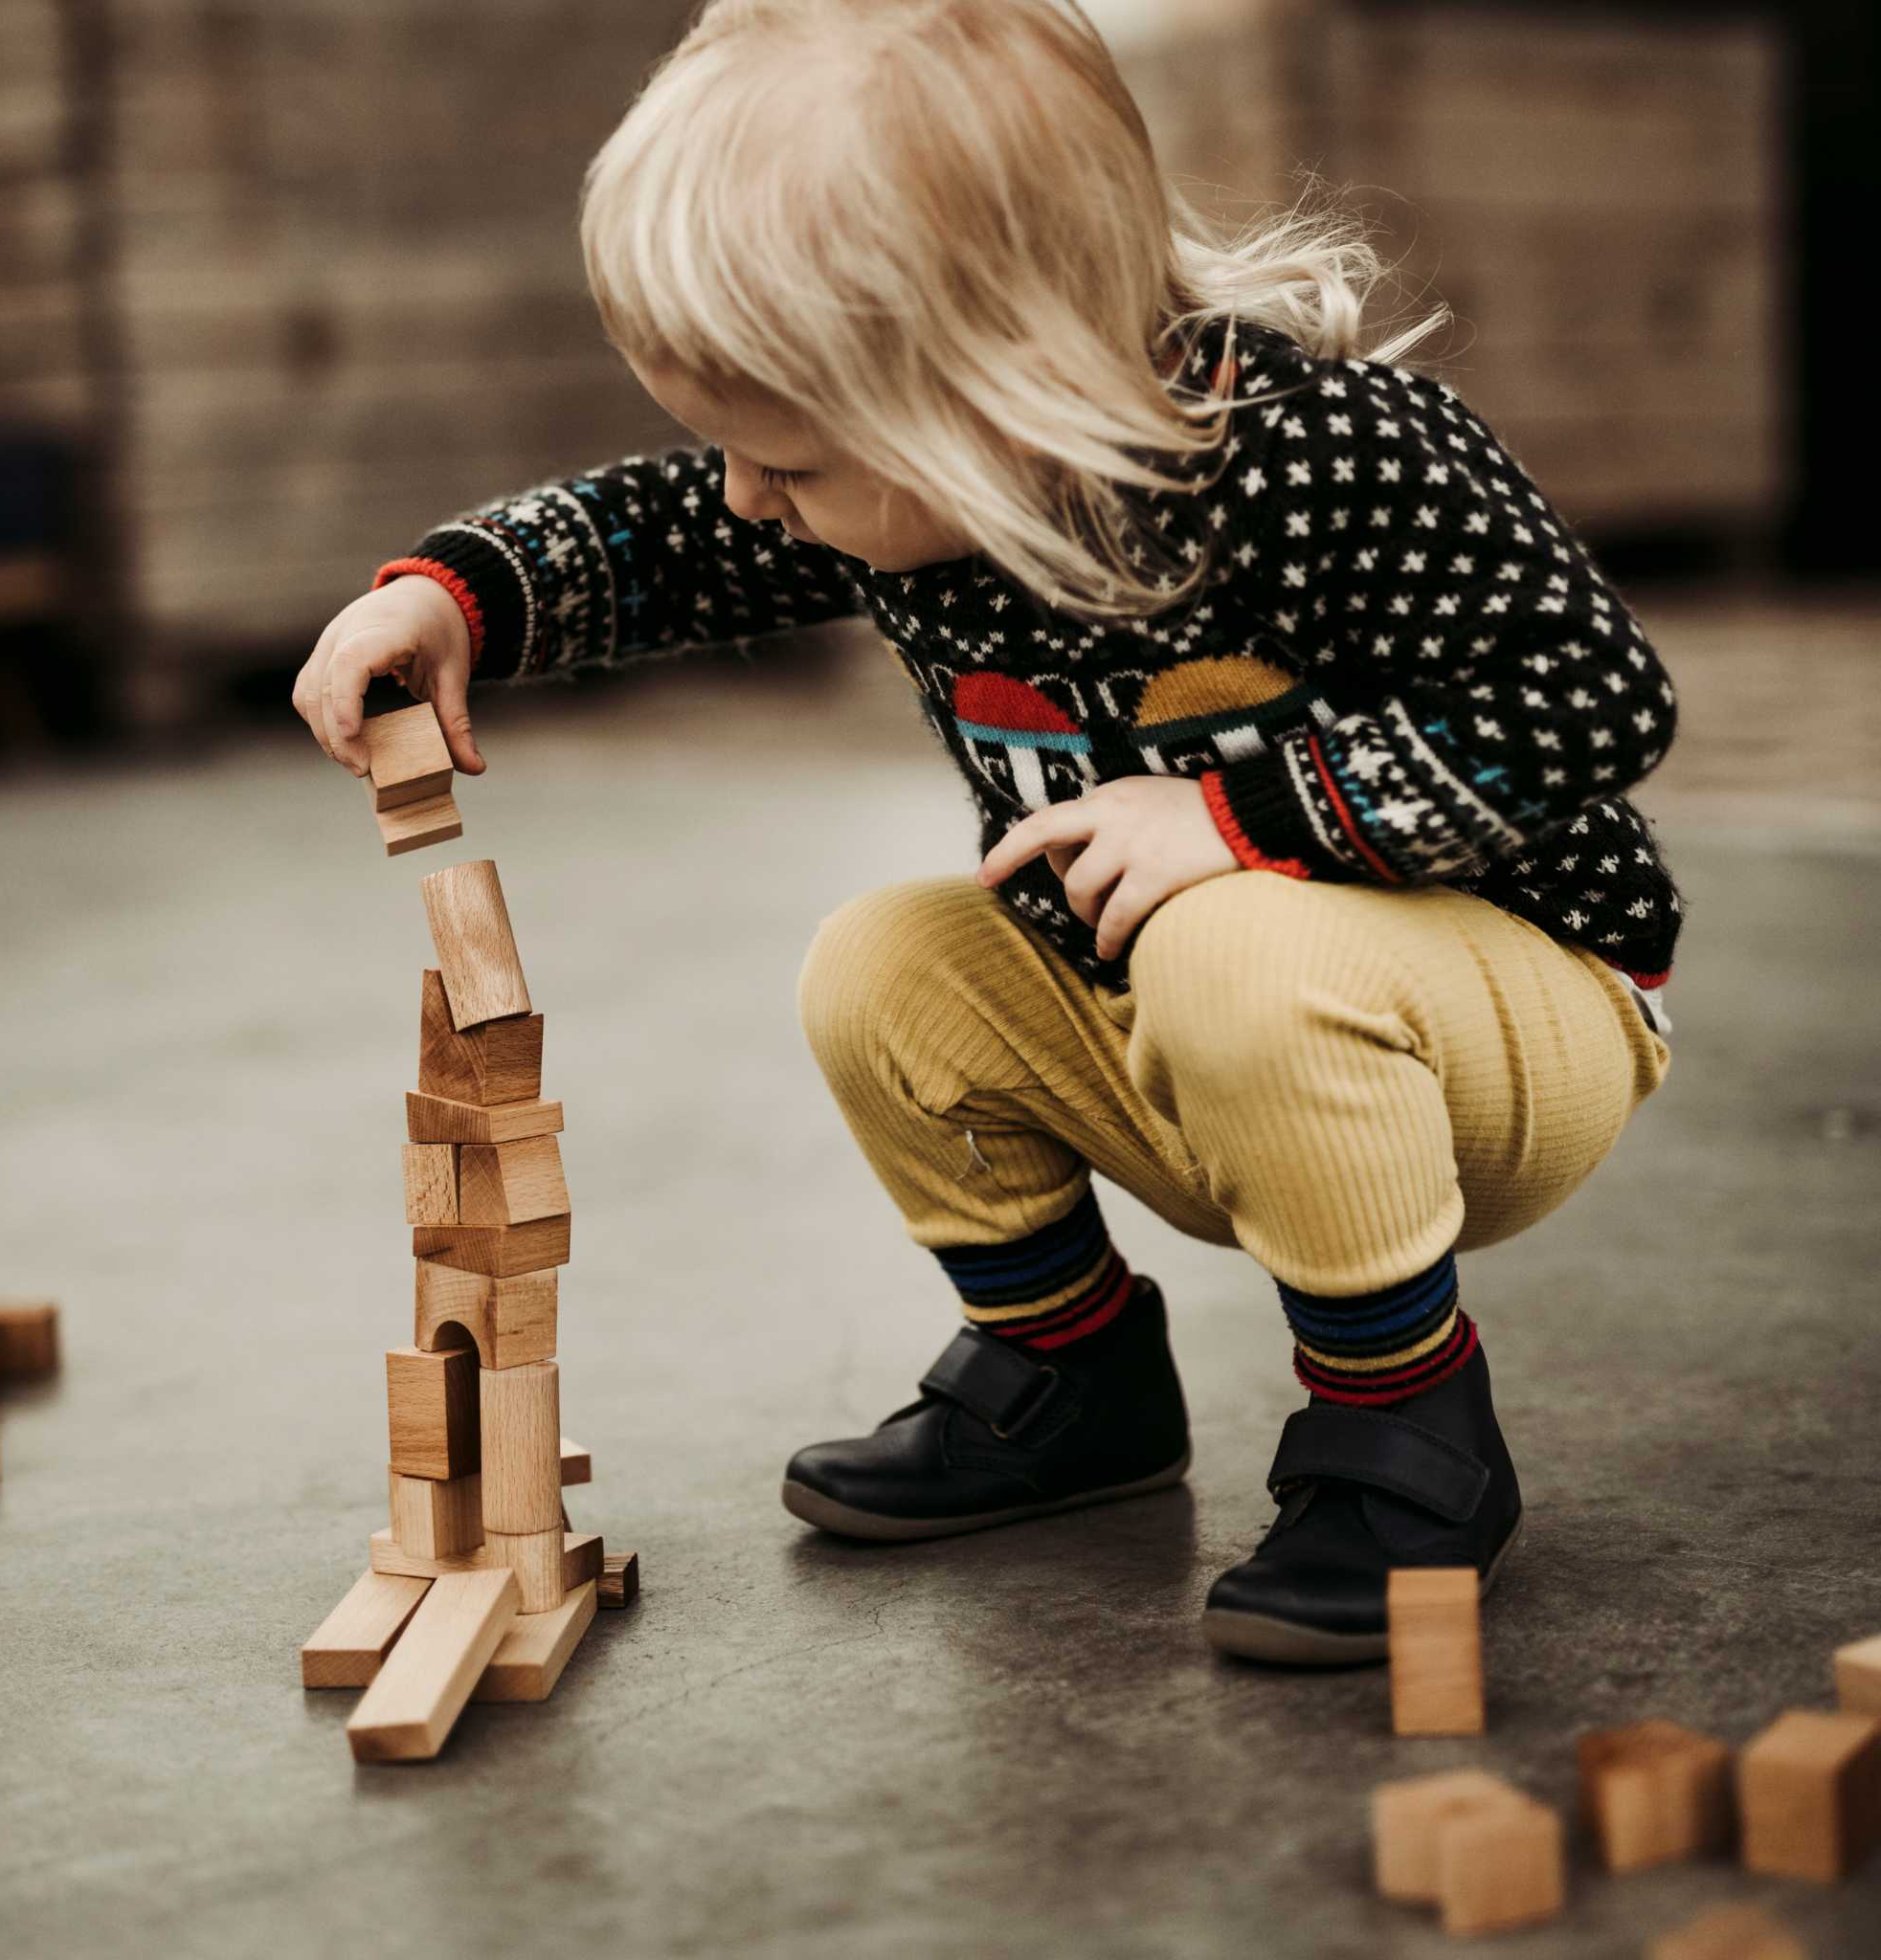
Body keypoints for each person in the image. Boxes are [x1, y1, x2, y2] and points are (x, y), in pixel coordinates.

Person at [292, 0, 1682, 1664]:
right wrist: (462, 595)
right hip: (1179, 1020)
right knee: (881, 964)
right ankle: (1070, 1377)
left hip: (1511, 1017)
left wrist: (1241, 820)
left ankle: (1407, 1427)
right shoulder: (910, 494)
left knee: (1233, 941)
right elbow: (668, 536)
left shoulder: (1322, 456)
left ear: (992, 391)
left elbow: (1599, 698)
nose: (746, 495)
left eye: (782, 456)